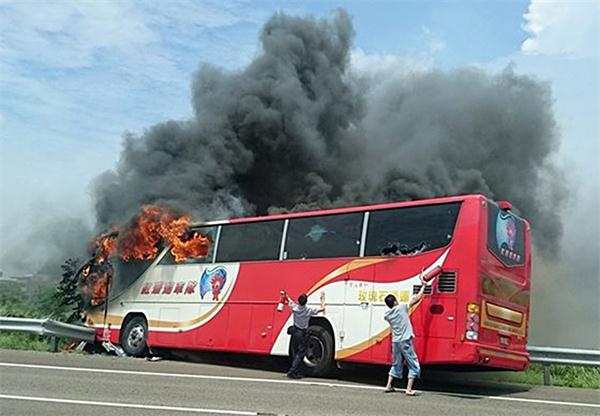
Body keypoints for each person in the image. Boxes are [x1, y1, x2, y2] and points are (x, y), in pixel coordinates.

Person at [383, 273, 427, 395]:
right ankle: (408, 389)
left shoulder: (387, 315)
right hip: (405, 341)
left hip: (395, 342)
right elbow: (417, 298)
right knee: (413, 363)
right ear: (395, 301)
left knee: (396, 363)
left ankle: (388, 386)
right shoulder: (401, 307)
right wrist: (423, 286)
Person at [284, 291, 325, 379]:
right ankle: (292, 371)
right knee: (300, 353)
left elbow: (289, 300)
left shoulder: (295, 308)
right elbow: (322, 308)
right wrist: (322, 299)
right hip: (302, 333)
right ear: (306, 302)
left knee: (295, 352)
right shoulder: (308, 310)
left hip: (295, 332)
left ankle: (296, 371)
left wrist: (286, 295)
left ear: (298, 301)